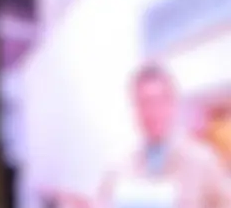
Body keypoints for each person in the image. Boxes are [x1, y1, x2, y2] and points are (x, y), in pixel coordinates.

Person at [96, 65, 231, 208]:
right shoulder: (118, 168)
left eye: (157, 101)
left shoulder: (202, 161)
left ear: (172, 104)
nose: (151, 111)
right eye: (143, 103)